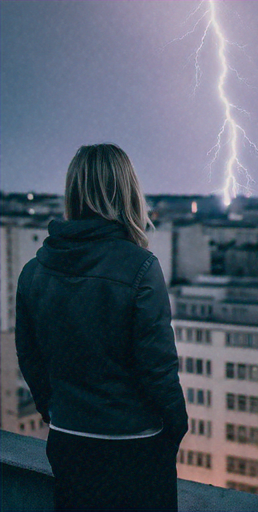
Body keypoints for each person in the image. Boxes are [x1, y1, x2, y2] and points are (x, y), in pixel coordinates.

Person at [15, 143, 188, 511]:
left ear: (73, 192)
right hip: (133, 445)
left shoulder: (33, 271)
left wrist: (57, 413)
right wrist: (175, 426)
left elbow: (29, 358)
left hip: (68, 442)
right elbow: (158, 368)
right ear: (127, 192)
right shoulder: (141, 267)